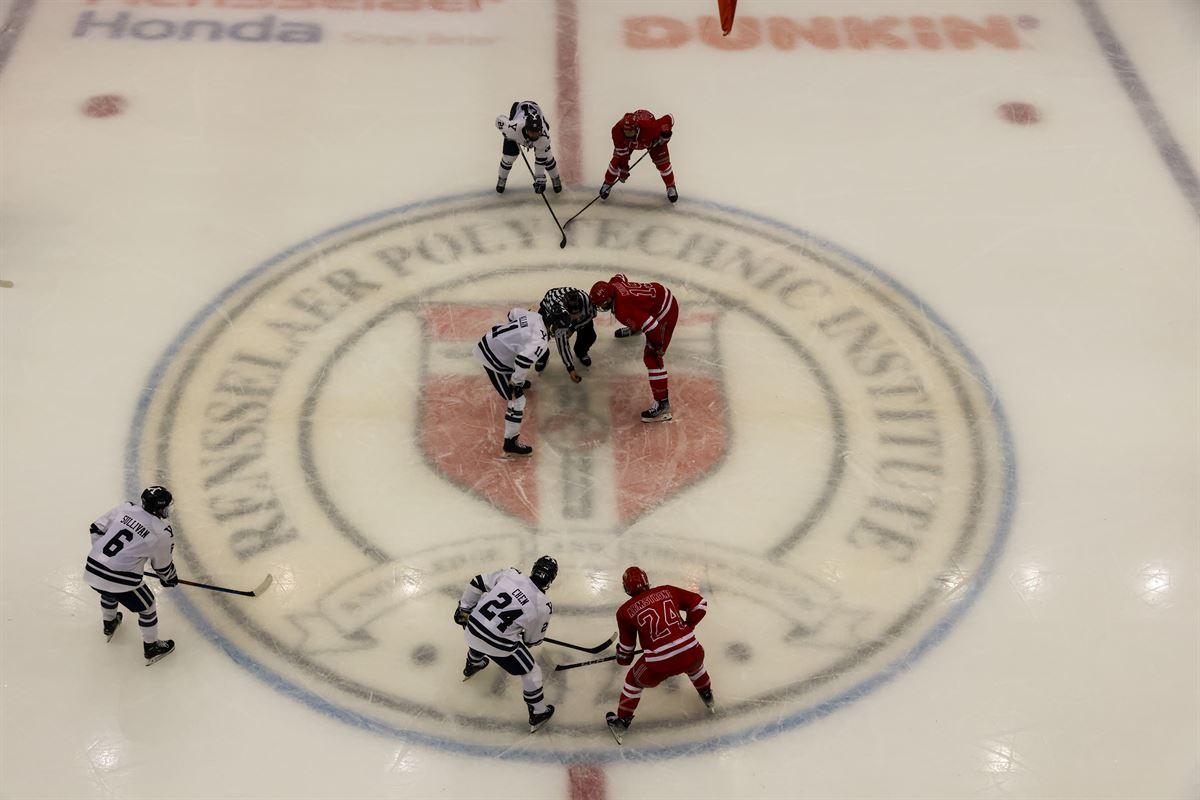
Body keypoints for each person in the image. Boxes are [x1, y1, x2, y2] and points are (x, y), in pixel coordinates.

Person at [605, 566, 714, 745]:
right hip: (693, 650)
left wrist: (621, 657)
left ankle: (622, 722)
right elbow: (700, 604)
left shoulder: (624, 612)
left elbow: (627, 651)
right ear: (647, 581)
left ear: (626, 588)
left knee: (633, 681)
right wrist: (687, 626)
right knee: (694, 663)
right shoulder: (667, 590)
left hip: (660, 664)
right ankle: (707, 695)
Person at [454, 556, 559, 733]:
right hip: (499, 646)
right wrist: (520, 631)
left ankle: (473, 664)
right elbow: (531, 641)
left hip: (471, 630)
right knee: (532, 672)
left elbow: (478, 581)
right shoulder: (543, 605)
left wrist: (464, 608)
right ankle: (538, 712)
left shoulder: (511, 574)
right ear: (551, 579)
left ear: (534, 568)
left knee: (482, 629)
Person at [83, 485, 179, 665]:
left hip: (92, 569)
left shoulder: (125, 508)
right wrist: (169, 579)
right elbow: (163, 566)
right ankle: (151, 648)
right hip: (119, 579)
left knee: (108, 591)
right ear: (160, 508)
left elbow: (95, 527)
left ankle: (109, 623)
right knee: (147, 605)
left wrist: (105, 559)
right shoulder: (161, 532)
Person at [476, 303, 569, 457]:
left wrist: (514, 338)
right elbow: (523, 361)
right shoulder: (540, 341)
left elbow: (512, 313)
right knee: (518, 401)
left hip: (491, 340)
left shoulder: (536, 316)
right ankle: (510, 443)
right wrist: (516, 383)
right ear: (552, 324)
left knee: (517, 376)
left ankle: (513, 379)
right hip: (494, 360)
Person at [588, 274, 679, 421]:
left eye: (602, 304)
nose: (600, 308)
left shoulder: (623, 310)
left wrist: (657, 345)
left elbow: (652, 326)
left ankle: (663, 405)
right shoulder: (614, 284)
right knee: (638, 317)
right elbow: (620, 276)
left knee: (652, 358)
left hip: (665, 312)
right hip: (658, 295)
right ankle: (636, 327)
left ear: (609, 300)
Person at [599, 109, 677, 203]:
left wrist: (666, 134)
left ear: (636, 128)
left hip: (652, 141)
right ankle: (607, 184)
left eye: (631, 132)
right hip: (630, 144)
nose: (628, 135)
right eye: (626, 132)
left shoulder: (650, 128)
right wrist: (623, 169)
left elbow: (670, 117)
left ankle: (670, 186)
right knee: (616, 162)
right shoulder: (617, 131)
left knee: (663, 165)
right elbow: (621, 154)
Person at [495, 100, 562, 195]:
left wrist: (540, 179)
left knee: (548, 158)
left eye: (537, 132)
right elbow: (499, 120)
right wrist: (505, 130)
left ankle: (555, 178)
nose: (535, 135)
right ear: (526, 129)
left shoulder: (544, 137)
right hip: (518, 115)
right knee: (509, 158)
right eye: (532, 132)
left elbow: (540, 160)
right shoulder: (513, 128)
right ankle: (502, 178)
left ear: (541, 130)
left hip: (535, 110)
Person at [536, 287, 598, 383]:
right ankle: (543, 355)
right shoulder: (558, 316)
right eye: (572, 315)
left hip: (561, 302)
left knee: (590, 336)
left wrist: (573, 327)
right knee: (540, 336)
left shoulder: (586, 300)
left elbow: (592, 315)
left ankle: (580, 351)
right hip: (548, 305)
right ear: (565, 310)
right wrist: (570, 368)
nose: (577, 317)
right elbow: (562, 344)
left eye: (579, 313)